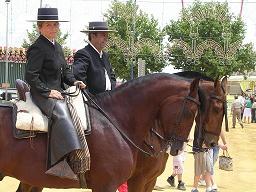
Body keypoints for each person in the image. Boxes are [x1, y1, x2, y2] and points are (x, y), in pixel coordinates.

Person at [25, 7, 86, 179]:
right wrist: (48, 91)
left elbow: (65, 72)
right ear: (40, 27)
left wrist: (75, 82)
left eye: (55, 25)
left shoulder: (57, 47)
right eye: (48, 25)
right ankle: (61, 162)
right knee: (62, 115)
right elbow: (31, 76)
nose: (53, 28)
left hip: (58, 92)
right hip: (41, 93)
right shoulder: (37, 47)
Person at [73, 21, 116, 95]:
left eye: (107, 35)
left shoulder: (105, 55)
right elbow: (78, 75)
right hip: (93, 101)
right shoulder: (84, 53)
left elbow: (112, 76)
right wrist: (89, 95)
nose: (106, 38)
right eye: (103, 35)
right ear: (93, 35)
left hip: (109, 98)